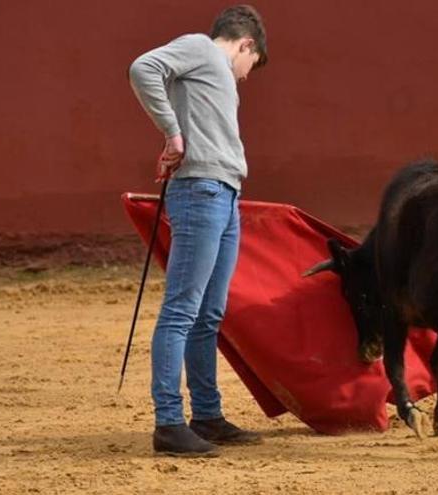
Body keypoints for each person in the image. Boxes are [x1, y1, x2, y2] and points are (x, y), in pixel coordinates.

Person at [128, 4, 268, 457]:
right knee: (182, 310)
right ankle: (168, 423)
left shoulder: (212, 70)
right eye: (253, 65)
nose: (247, 76)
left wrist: (178, 133)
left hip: (223, 193)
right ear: (247, 44)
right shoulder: (201, 49)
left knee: (208, 314)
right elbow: (142, 67)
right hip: (202, 191)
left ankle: (206, 415)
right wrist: (172, 134)